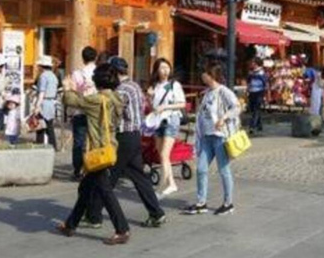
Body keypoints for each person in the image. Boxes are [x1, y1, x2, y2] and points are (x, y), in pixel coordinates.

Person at [86, 57, 166, 228]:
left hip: (123, 136)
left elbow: (113, 111)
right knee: (139, 177)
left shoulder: (121, 90)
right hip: (135, 135)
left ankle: (94, 215)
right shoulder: (135, 85)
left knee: (107, 177)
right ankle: (156, 213)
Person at [55, 63, 130, 245]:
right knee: (86, 188)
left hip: (98, 149)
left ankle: (122, 229)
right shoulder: (116, 98)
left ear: (98, 81)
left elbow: (73, 102)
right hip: (110, 145)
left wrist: (67, 88)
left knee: (105, 190)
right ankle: (71, 224)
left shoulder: (98, 100)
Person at [182, 62, 239, 216]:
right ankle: (201, 202)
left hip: (220, 137)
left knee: (224, 170)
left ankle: (228, 203)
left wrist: (224, 118)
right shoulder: (206, 93)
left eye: (204, 73)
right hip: (207, 136)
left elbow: (236, 107)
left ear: (211, 75)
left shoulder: (224, 92)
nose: (202, 75)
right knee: (201, 169)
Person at [149, 57, 186, 199]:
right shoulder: (155, 85)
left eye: (167, 67)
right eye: (162, 68)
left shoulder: (174, 85)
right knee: (161, 155)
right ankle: (171, 183)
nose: (165, 70)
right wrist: (149, 97)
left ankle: (162, 188)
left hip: (171, 119)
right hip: (158, 121)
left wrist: (166, 106)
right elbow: (154, 107)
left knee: (164, 154)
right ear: (156, 70)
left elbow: (182, 103)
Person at [69, 46, 98, 180]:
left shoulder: (77, 73)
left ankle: (77, 170)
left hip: (80, 110)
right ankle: (94, 166)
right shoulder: (99, 72)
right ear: (95, 57)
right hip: (96, 110)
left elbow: (73, 92)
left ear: (83, 58)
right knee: (95, 139)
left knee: (79, 141)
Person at [34, 55, 59, 149]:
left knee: (40, 127)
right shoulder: (54, 76)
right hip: (52, 103)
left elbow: (41, 92)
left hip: (44, 102)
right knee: (50, 126)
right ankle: (53, 146)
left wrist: (37, 106)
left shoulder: (43, 76)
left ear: (41, 66)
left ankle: (39, 146)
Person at [246, 58, 267, 134]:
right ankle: (259, 125)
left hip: (259, 92)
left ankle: (252, 126)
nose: (252, 64)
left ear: (257, 64)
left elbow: (265, 83)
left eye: (253, 63)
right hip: (252, 92)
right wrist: (248, 89)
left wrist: (266, 94)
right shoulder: (251, 72)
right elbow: (248, 81)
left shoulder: (261, 73)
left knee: (256, 109)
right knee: (253, 109)